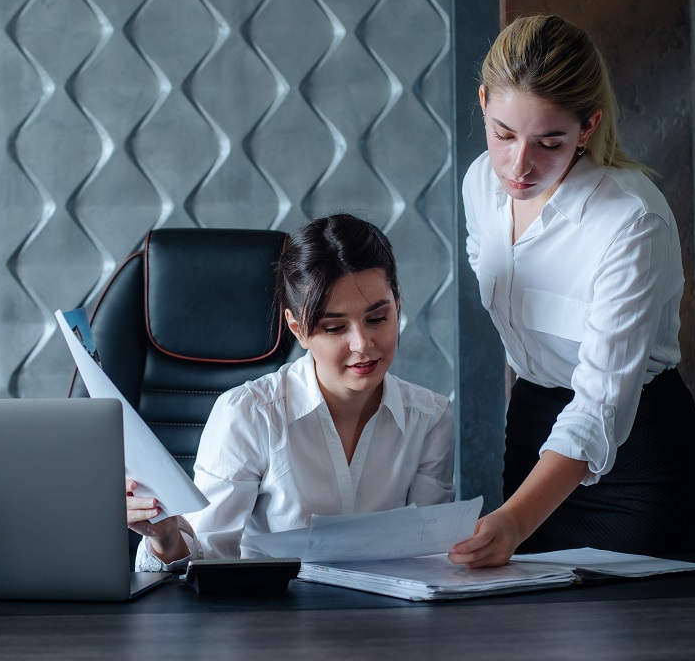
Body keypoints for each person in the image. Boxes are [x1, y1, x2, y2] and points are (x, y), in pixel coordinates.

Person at [450, 14, 695, 569]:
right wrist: (516, 514)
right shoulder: (480, 186)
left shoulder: (629, 220)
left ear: (587, 127)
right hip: (533, 429)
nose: (519, 165)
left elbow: (599, 404)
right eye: (503, 134)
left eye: (549, 142)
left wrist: (515, 520)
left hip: (636, 450)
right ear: (483, 102)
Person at [126, 213, 456, 569]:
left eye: (377, 319)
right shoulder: (248, 414)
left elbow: (428, 556)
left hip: (387, 618)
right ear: (298, 330)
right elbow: (205, 557)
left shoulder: (430, 418)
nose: (362, 344)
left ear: (398, 306)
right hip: (272, 617)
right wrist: (166, 536)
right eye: (334, 327)